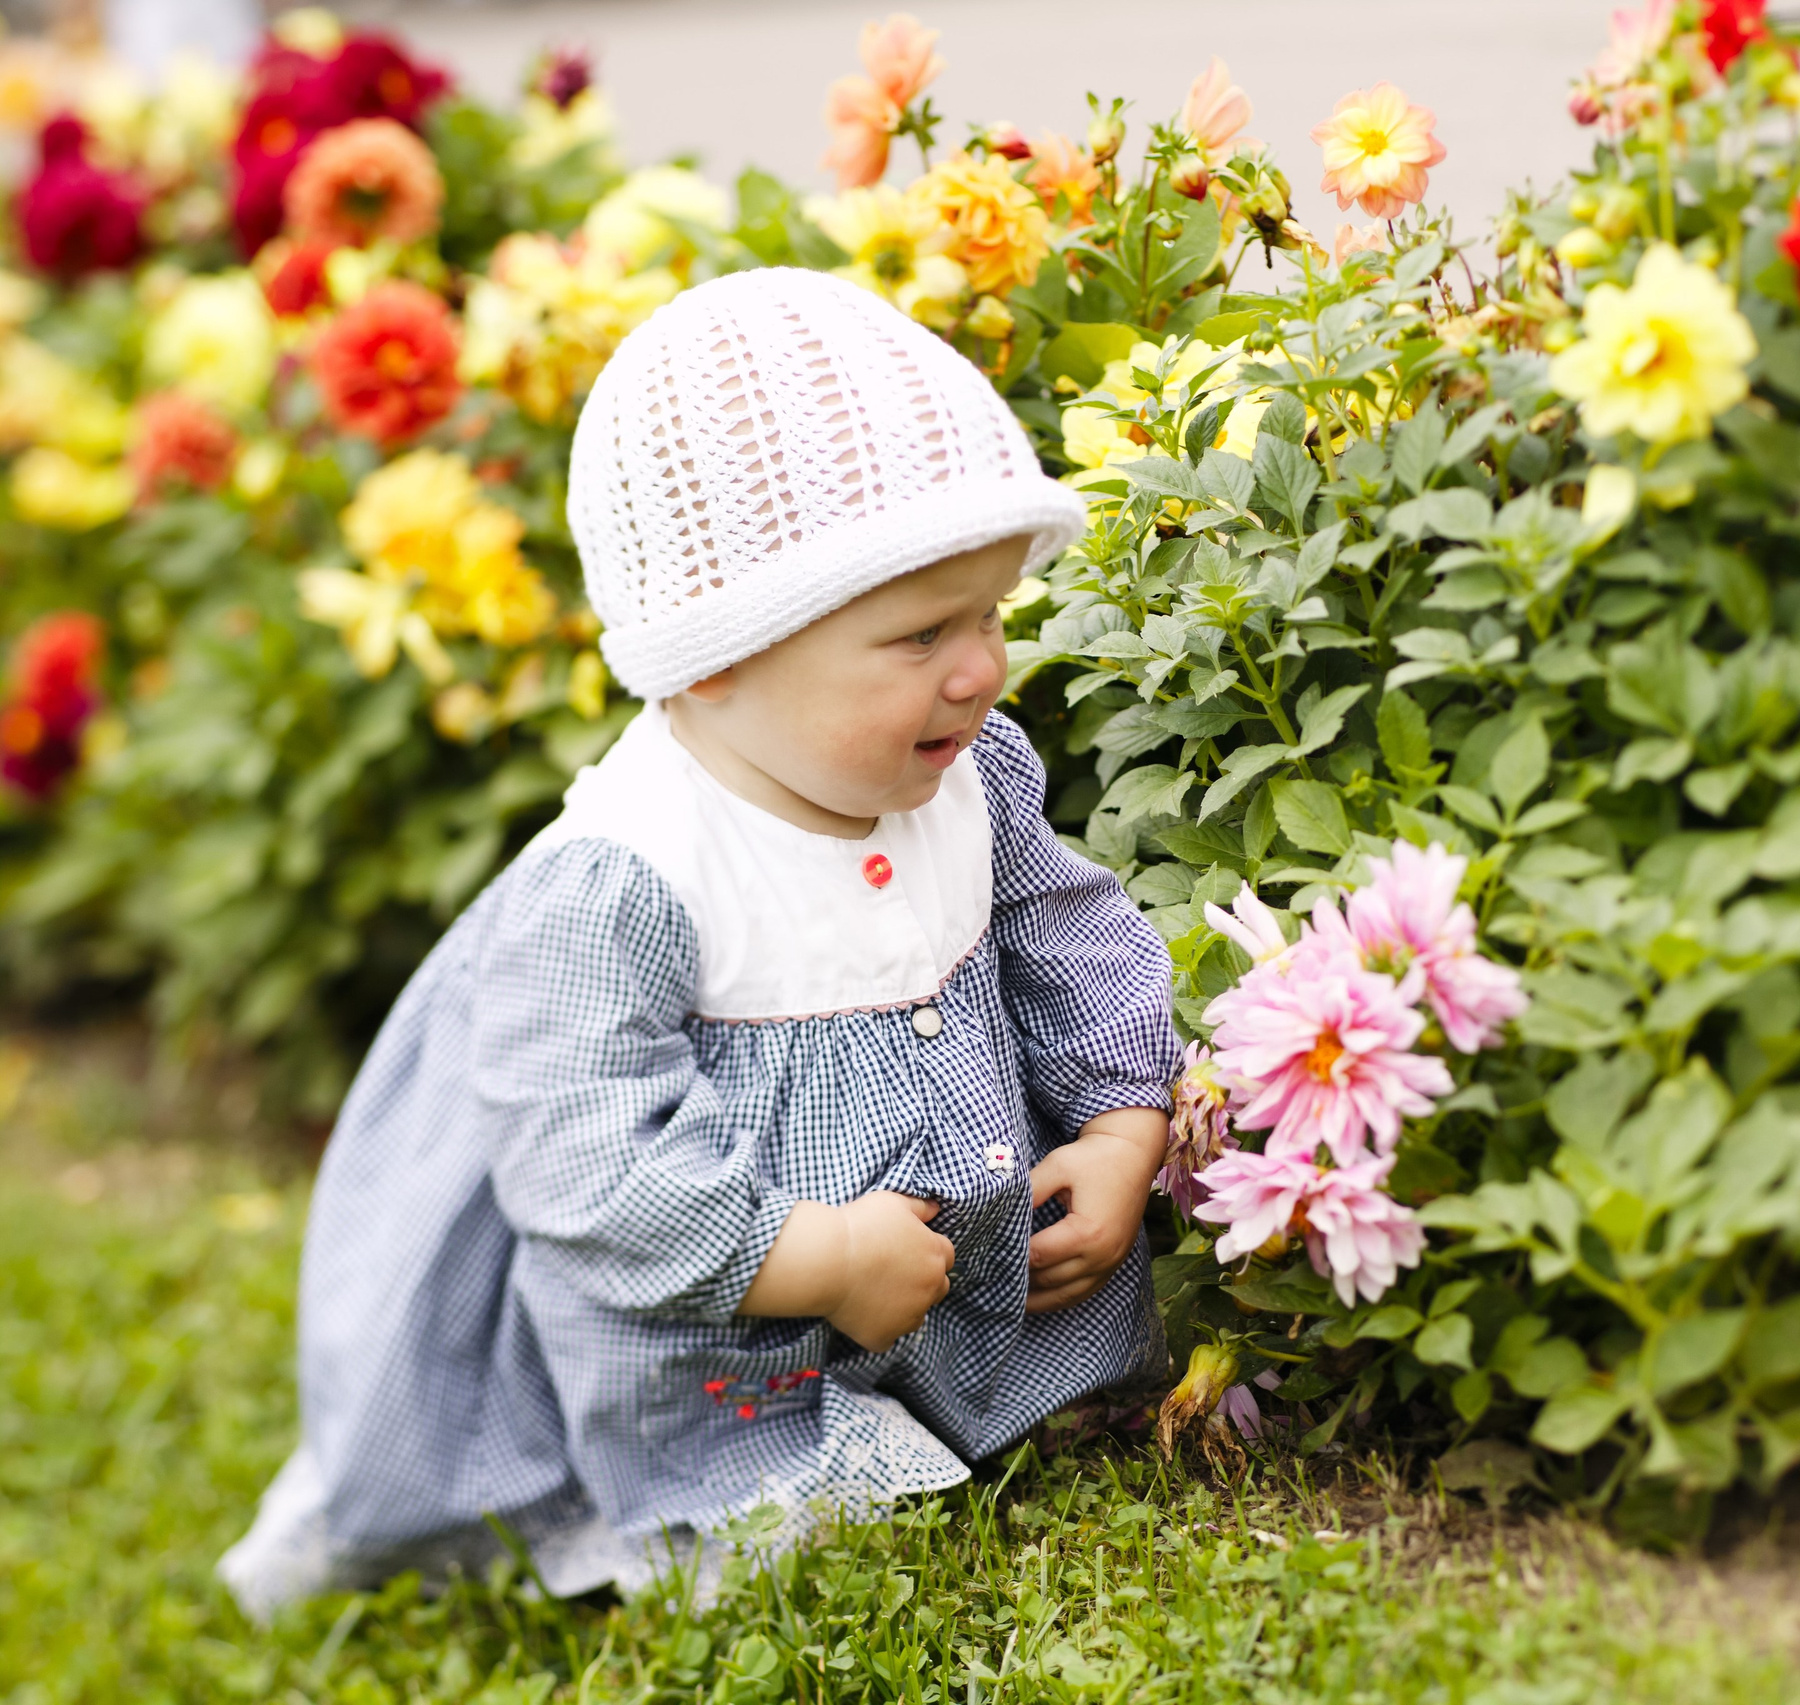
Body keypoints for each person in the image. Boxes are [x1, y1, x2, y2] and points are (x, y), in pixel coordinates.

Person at [218, 267, 1180, 1614]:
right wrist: (815, 1260)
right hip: (739, 1340)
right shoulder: (630, 876)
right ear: (714, 655)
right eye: (919, 635)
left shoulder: (972, 773)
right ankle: (743, 1500)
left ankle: (1003, 1402)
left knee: (1060, 1393)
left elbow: (1076, 940)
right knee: (785, 1514)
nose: (978, 670)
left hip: (963, 1266)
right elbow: (584, 1155)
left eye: (989, 615)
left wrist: (1122, 1128)